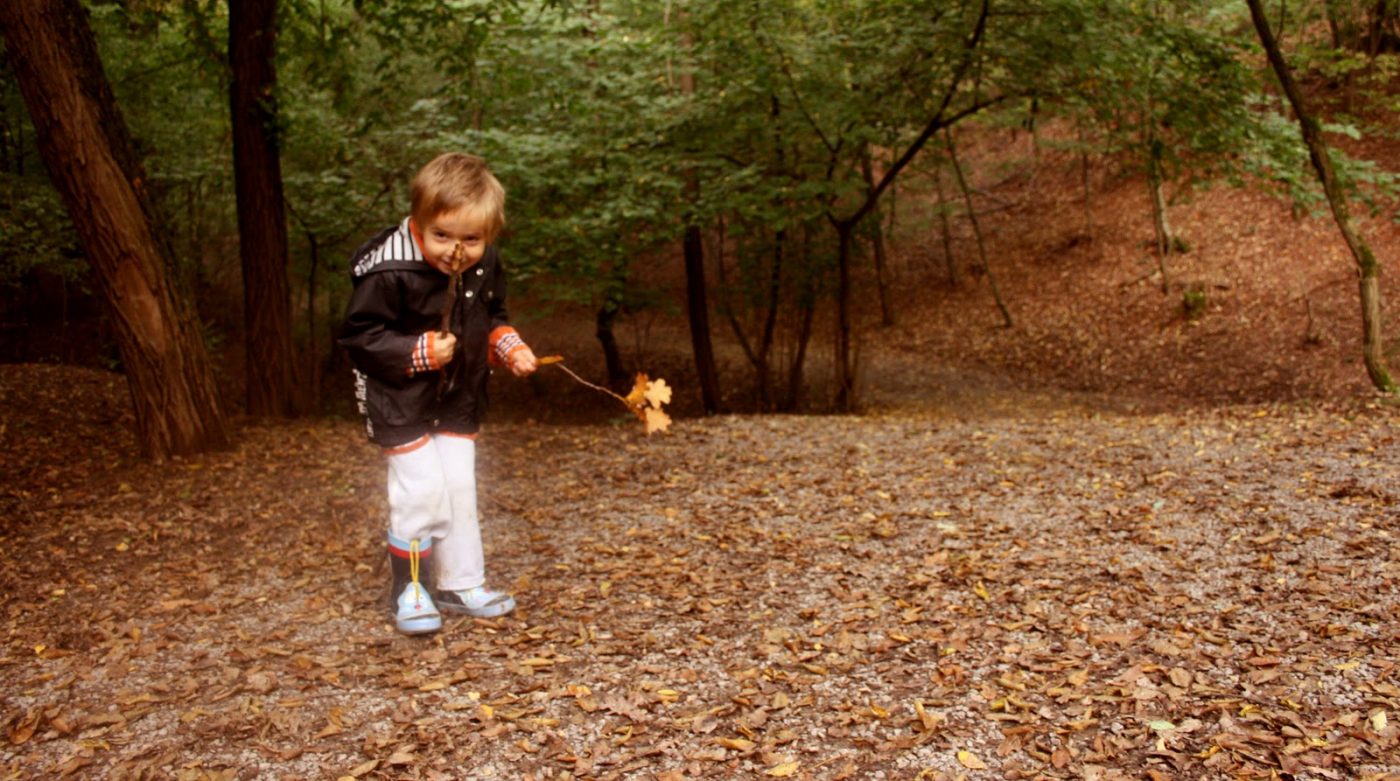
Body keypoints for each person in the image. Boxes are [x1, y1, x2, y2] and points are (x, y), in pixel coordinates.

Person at [339, 153, 538, 635]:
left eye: (471, 239)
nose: (457, 251)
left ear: (488, 234)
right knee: (421, 491)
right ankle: (410, 589)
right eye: (442, 235)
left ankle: (460, 581)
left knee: (458, 489)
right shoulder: (390, 270)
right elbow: (359, 337)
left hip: (458, 396)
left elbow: (492, 313)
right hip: (398, 395)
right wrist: (419, 351)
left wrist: (506, 344)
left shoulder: (484, 261)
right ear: (418, 221)